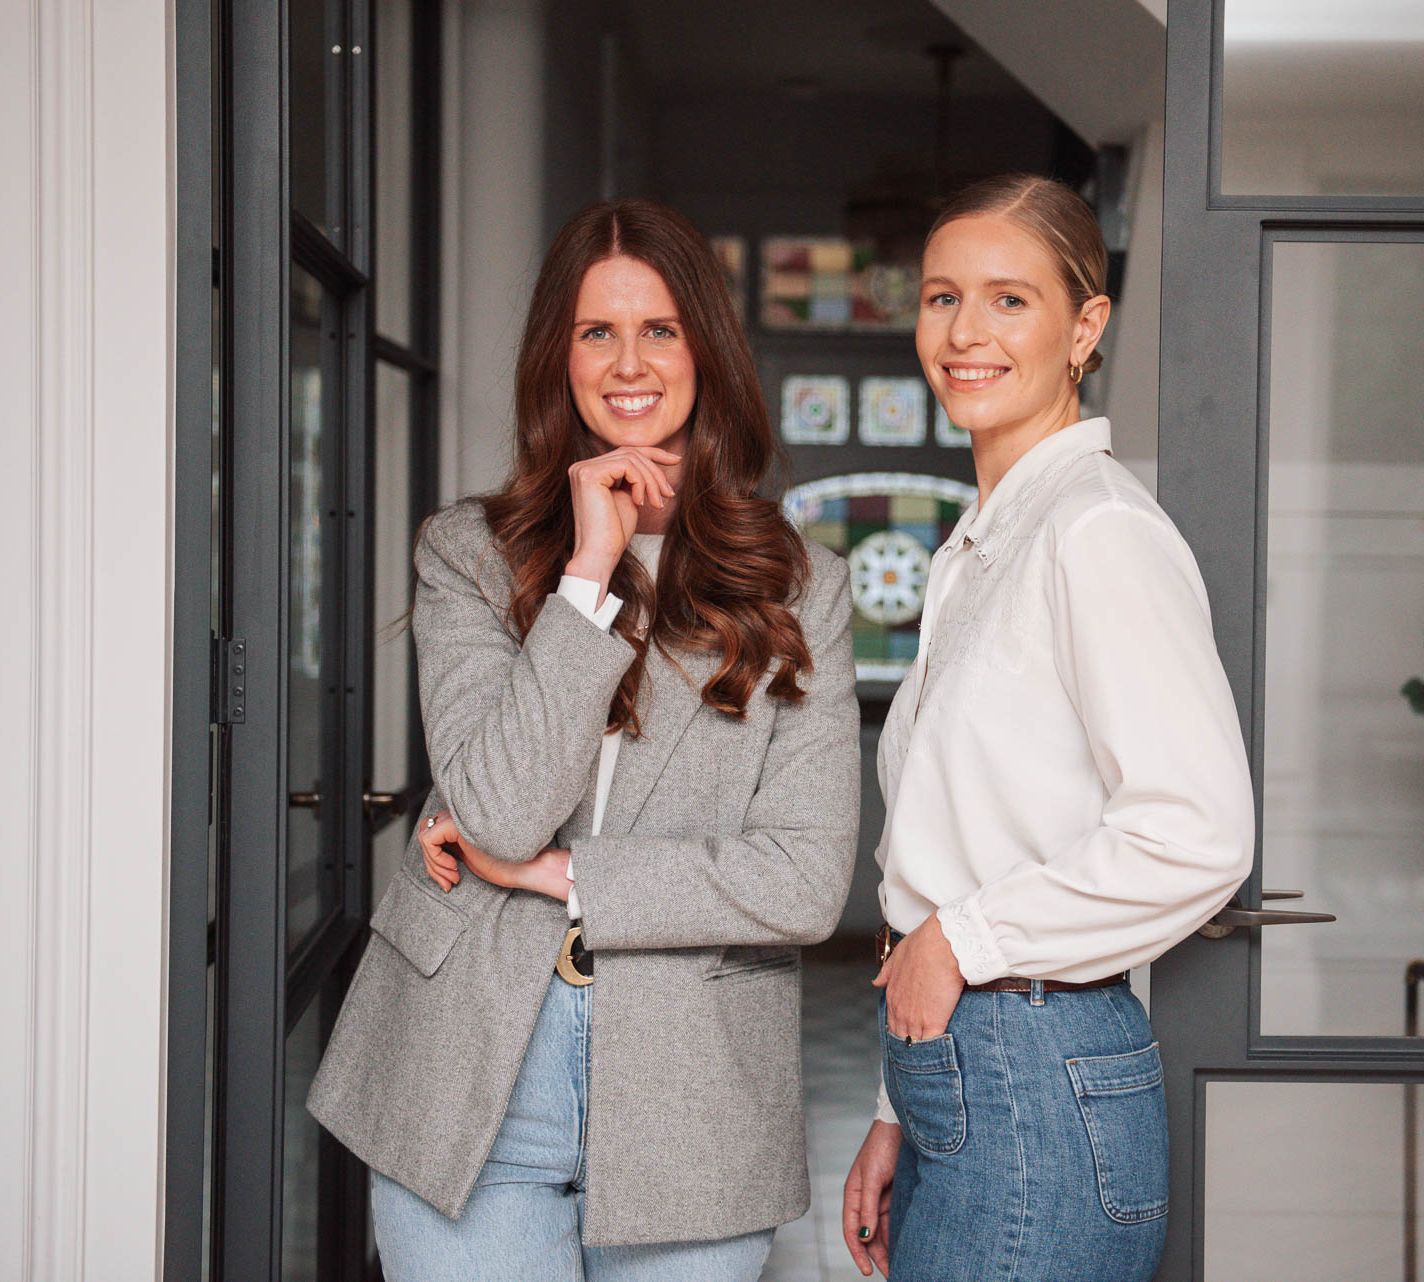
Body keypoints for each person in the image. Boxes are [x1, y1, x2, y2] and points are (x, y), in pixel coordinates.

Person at [308, 199, 861, 1281]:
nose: (628, 363)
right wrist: (588, 570)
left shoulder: (804, 586)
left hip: (692, 1096)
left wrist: (557, 876)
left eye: (659, 329)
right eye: (595, 331)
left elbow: (801, 880)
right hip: (468, 1081)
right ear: (556, 358)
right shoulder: (467, 554)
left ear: (706, 349)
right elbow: (499, 806)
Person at [840, 174, 1255, 1282]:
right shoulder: (979, 545)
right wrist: (894, 1106)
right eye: (942, 297)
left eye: (1008, 300)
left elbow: (1197, 833)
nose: (964, 333)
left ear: (1083, 327)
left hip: (1034, 1073)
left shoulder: (1096, 532)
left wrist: (958, 943)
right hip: (962, 1066)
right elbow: (942, 856)